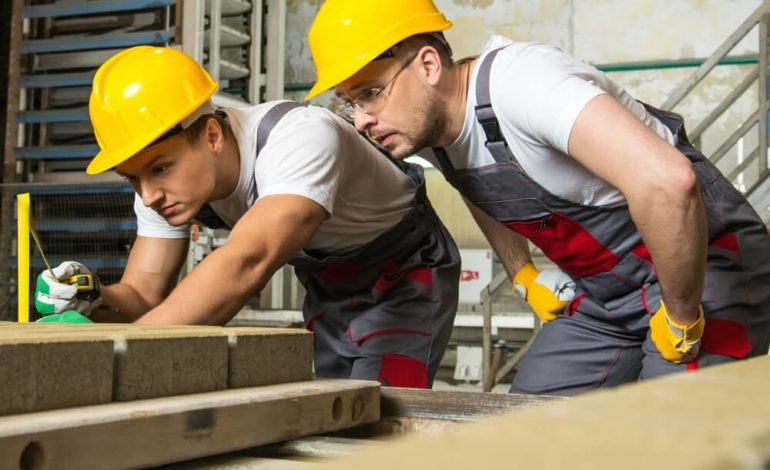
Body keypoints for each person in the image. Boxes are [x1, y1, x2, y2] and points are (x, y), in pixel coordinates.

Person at [304, 0, 770, 396]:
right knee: (526, 426)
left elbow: (670, 182)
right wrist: (521, 272)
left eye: (371, 93)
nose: (361, 119)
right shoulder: (440, 130)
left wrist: (684, 316)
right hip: (608, 299)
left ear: (428, 65)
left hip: (703, 277)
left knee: (672, 444)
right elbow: (482, 190)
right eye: (350, 103)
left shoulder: (522, 83)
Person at [34, 45, 461, 388]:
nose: (146, 196)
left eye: (160, 168)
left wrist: (113, 353)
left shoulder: (299, 137)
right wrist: (94, 299)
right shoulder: (163, 188)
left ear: (213, 135)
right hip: (330, 287)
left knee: (379, 414)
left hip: (404, 276)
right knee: (334, 409)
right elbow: (143, 295)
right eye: (132, 178)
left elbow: (247, 261)